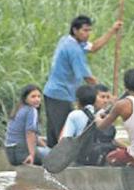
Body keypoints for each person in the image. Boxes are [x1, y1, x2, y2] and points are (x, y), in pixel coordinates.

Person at [43, 15, 122, 148]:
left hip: (54, 92)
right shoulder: (73, 49)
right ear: (75, 30)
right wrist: (106, 95)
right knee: (62, 133)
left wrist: (112, 31)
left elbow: (94, 47)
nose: (88, 34)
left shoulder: (69, 40)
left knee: (56, 130)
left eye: (89, 30)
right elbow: (88, 78)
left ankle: (52, 155)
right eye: (85, 31)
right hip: (60, 94)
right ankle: (59, 161)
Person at [4, 85, 50, 166]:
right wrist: (31, 155)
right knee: (57, 156)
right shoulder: (31, 110)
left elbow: (33, 136)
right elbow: (30, 133)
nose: (37, 99)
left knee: (47, 149)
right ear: (25, 98)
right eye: (33, 97)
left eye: (39, 96)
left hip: (10, 154)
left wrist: (45, 146)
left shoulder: (18, 109)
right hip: (22, 153)